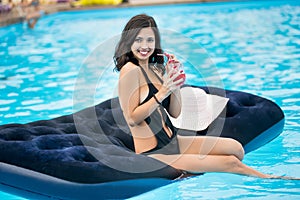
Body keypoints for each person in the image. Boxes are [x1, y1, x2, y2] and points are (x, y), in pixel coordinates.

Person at [114, 14, 298, 179]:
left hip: (173, 141)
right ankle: (271, 178)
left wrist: (174, 84)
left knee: (236, 149)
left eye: (149, 40)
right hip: (152, 152)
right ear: (129, 41)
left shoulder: (154, 69)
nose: (144, 46)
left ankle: (189, 166)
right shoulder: (130, 71)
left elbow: (175, 113)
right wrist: (161, 93)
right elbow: (132, 118)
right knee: (231, 163)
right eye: (138, 40)